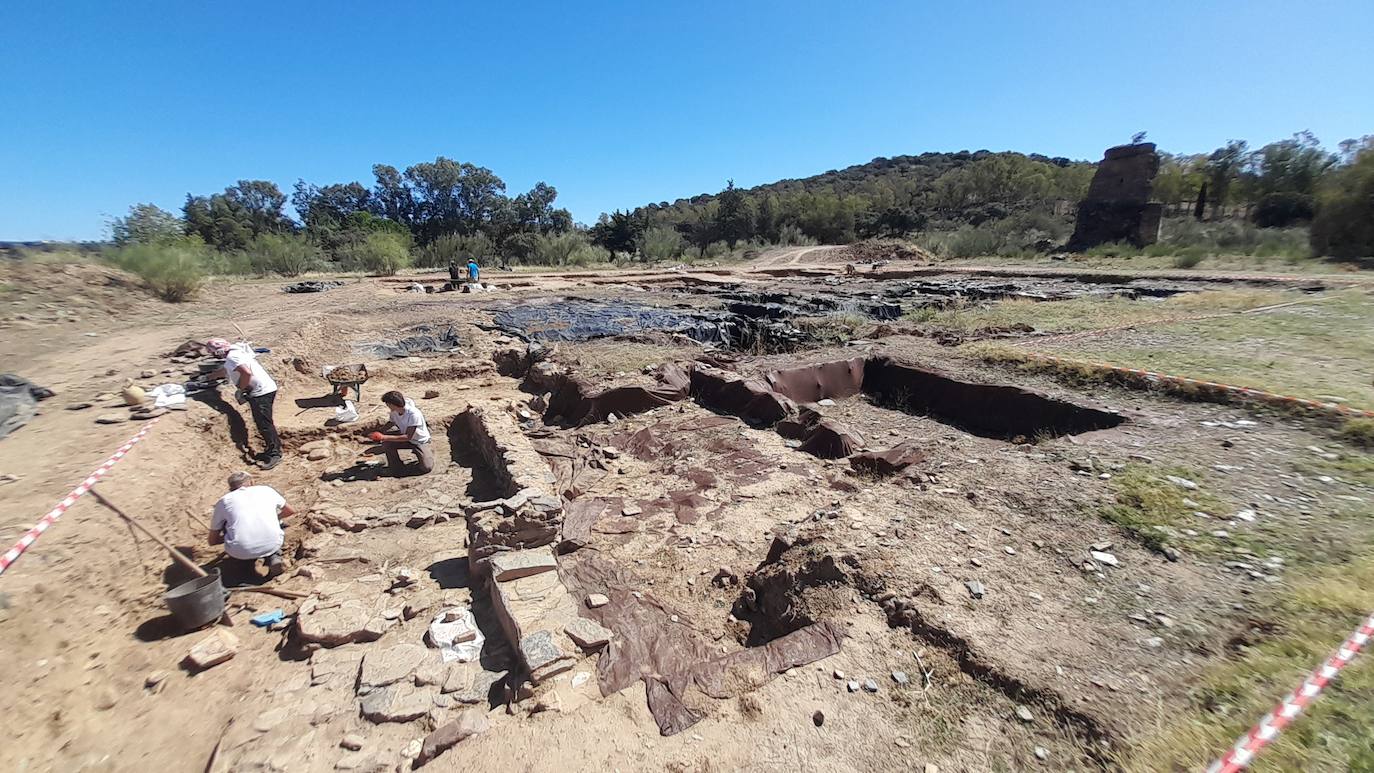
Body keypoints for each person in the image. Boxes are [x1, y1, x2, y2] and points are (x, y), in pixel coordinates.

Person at [206, 338, 283, 470]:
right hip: (265, 388)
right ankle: (271, 450)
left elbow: (246, 372)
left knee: (264, 424)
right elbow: (227, 370)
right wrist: (210, 377)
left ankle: (275, 454)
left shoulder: (232, 357)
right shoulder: (236, 351)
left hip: (261, 392)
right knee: (263, 423)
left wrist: (241, 389)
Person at [209, 471, 294, 581]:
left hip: (241, 551)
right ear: (252, 482)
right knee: (276, 521)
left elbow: (212, 541)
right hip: (273, 543)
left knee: (228, 524)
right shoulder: (266, 490)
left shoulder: (224, 501)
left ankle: (245, 567)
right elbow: (290, 511)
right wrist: (274, 518)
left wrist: (227, 536)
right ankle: (273, 557)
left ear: (231, 488)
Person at [364, 390, 434, 475]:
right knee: (387, 443)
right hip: (407, 437)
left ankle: (424, 452)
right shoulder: (394, 412)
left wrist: (383, 437)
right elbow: (391, 422)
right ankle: (396, 467)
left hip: (419, 440)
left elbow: (408, 436)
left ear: (391, 404)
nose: (387, 406)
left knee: (426, 468)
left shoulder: (413, 414)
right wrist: (379, 432)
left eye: (387, 404)